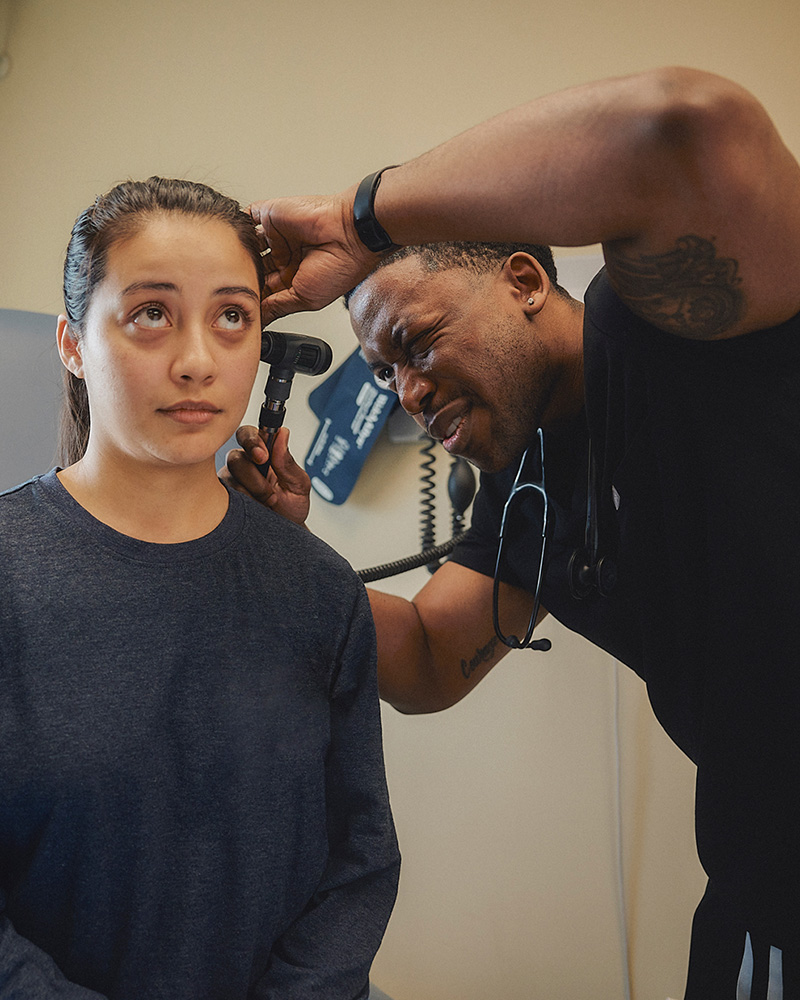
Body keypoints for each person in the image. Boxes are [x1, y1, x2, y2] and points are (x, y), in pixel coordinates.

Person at [224, 66, 800, 997]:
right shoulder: (520, 482)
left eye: (414, 343)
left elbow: (689, 129)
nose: (405, 392)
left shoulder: (661, 331)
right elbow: (422, 660)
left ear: (525, 281)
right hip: (762, 882)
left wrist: (355, 220)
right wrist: (285, 550)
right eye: (382, 376)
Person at [0, 177, 399, 1000]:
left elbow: (359, 857)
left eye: (231, 317)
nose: (196, 360)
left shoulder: (318, 590)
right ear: (73, 343)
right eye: (151, 313)